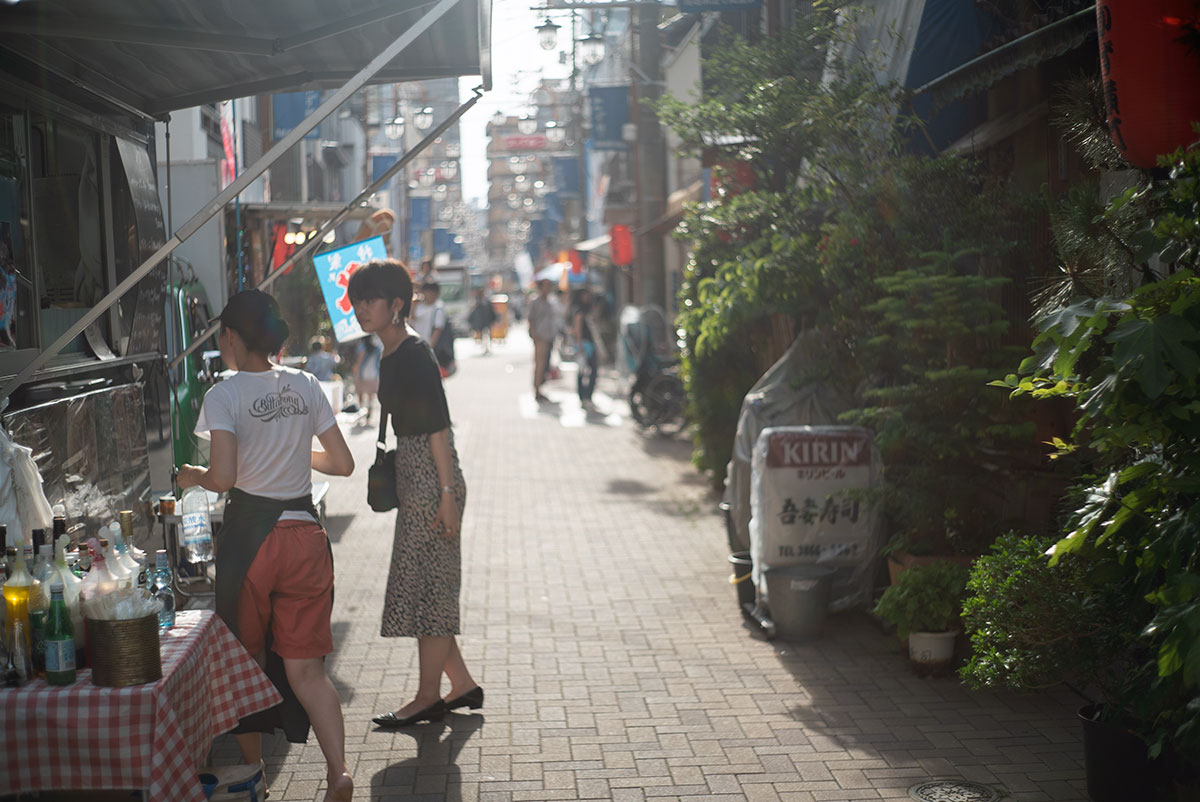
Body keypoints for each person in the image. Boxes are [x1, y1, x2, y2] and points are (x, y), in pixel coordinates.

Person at [177, 289, 355, 802]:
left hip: (252, 540)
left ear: (231, 336)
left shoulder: (224, 394)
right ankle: (339, 771)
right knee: (308, 670)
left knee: (245, 660)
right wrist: (299, 454)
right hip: (305, 535)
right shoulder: (305, 384)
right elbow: (342, 464)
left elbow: (225, 476)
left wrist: (192, 474)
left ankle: (253, 777)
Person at [346, 259, 481, 729]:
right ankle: (460, 683)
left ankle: (428, 696)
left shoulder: (415, 354)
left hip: (431, 477)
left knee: (431, 591)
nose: (361, 308)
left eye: (371, 300)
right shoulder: (390, 351)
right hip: (416, 476)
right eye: (357, 300)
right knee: (428, 585)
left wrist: (446, 493)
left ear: (397, 305)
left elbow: (439, 428)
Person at [527, 279, 561, 403]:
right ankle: (537, 390)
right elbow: (531, 319)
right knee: (539, 364)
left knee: (545, 364)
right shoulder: (535, 302)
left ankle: (540, 388)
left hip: (549, 336)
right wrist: (533, 334)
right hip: (540, 336)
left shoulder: (551, 301)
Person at [571, 289, 599, 409]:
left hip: (590, 344)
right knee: (583, 372)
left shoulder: (588, 310)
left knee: (592, 371)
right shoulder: (579, 311)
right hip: (583, 345)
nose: (587, 297)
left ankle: (587, 396)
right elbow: (577, 329)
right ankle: (583, 397)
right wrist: (579, 345)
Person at [352, 334, 382, 422]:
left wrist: (356, 367)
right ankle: (369, 408)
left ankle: (361, 409)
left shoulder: (362, 346)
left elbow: (361, 357)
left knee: (360, 392)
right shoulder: (377, 346)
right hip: (373, 372)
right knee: (370, 394)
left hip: (363, 372)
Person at [467, 289, 497, 354]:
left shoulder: (487, 302)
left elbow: (492, 312)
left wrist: (494, 319)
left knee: (486, 335)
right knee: (484, 336)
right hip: (481, 322)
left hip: (487, 322)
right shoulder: (478, 302)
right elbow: (474, 313)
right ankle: (485, 348)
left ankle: (487, 348)